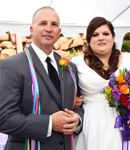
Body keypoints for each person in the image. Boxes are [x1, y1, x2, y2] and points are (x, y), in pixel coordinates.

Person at [0, 6, 84, 150]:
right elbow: (5, 119)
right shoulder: (11, 66)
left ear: (59, 32)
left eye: (54, 24)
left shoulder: (70, 68)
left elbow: (78, 104)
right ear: (32, 29)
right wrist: (49, 123)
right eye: (43, 23)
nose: (49, 29)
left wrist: (78, 119)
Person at [71, 16, 130, 150]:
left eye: (106, 34)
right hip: (93, 127)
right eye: (95, 35)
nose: (101, 38)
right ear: (89, 40)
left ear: (113, 38)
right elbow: (66, 92)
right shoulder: (76, 64)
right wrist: (72, 100)